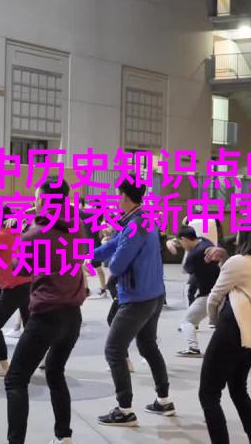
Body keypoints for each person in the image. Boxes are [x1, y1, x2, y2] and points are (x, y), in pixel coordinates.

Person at [4, 178, 87, 444]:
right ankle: (64, 436)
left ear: (41, 199)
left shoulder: (34, 233)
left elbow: (20, 268)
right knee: (55, 371)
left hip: (46, 316)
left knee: (16, 380)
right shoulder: (77, 225)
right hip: (73, 316)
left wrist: (23, 232)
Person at [94, 180, 175, 427]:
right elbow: (113, 245)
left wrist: (107, 263)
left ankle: (125, 410)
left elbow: (118, 263)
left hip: (137, 298)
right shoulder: (143, 219)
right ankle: (164, 401)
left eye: (117, 194)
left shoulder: (134, 225)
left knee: (114, 350)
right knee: (148, 346)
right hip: (154, 294)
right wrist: (83, 254)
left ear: (124, 196)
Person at [199, 227, 251, 444]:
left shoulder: (239, 262)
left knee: (209, 394)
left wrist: (213, 321)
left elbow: (214, 298)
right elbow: (242, 279)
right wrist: (225, 258)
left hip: (231, 330)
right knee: (238, 391)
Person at [0, 206, 32, 377]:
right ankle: (37, 360)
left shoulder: (0, 236)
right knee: (30, 325)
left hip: (14, 287)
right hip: (29, 284)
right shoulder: (20, 234)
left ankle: (3, 366)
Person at [176, 226, 220, 357]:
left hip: (208, 293)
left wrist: (185, 252)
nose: (182, 246)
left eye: (181, 242)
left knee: (187, 321)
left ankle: (193, 348)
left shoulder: (194, 255)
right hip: (220, 288)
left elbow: (185, 270)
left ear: (184, 239)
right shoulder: (206, 241)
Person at [79, 198, 108, 298]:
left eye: (91, 205)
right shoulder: (93, 217)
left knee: (95, 268)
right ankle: (88, 289)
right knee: (88, 267)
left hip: (94, 245)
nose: (89, 207)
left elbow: (79, 212)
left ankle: (101, 289)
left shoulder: (92, 216)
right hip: (88, 245)